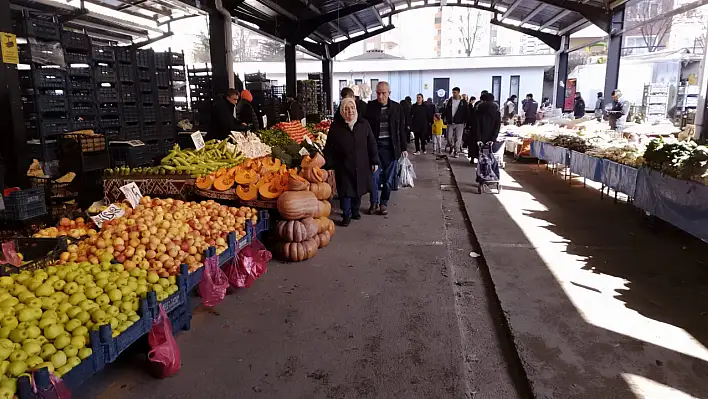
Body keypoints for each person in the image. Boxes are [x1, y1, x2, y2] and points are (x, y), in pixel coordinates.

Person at [323, 98, 379, 226]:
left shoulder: (364, 124)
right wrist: (329, 165)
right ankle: (346, 214)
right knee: (345, 192)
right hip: (343, 165)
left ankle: (355, 211)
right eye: (346, 109)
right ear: (342, 111)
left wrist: (375, 161)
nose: (350, 111)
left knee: (358, 190)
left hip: (361, 163)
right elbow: (329, 148)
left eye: (352, 108)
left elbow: (372, 143)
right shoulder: (336, 127)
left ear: (356, 109)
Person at [364, 81, 408, 216]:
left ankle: (383, 203)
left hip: (391, 148)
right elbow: (365, 129)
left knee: (388, 180)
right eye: (378, 93)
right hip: (374, 148)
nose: (380, 96)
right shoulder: (370, 107)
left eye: (383, 93)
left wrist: (403, 147)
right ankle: (373, 202)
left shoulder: (396, 108)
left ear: (389, 93)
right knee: (373, 177)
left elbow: (401, 128)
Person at [443, 87, 468, 158]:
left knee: (458, 138)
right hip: (450, 122)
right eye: (453, 92)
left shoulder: (463, 102)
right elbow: (446, 109)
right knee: (449, 137)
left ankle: (456, 151)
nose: (453, 94)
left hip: (460, 122)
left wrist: (466, 121)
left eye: (455, 92)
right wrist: (444, 118)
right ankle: (452, 146)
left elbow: (466, 112)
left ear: (458, 93)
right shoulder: (450, 101)